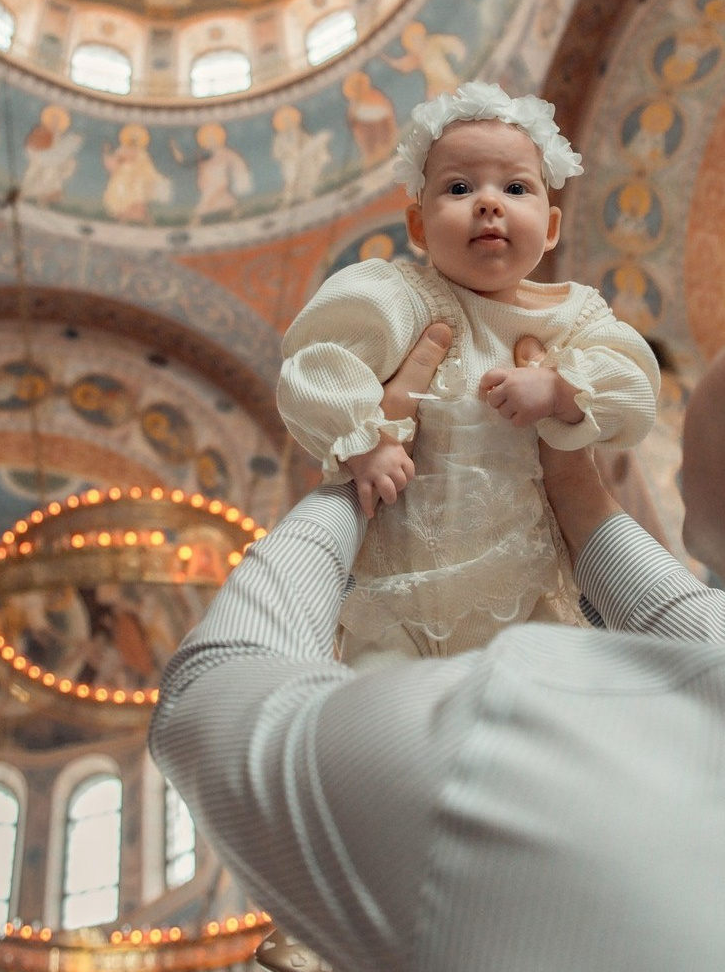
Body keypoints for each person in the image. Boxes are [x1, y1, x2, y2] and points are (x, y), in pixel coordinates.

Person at [151, 144, 725, 971]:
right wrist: (586, 509)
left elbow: (213, 700)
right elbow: (722, 646)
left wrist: (355, 477)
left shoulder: (525, 746)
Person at [277, 80, 660, 659]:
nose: (489, 202)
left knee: (538, 698)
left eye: (515, 187)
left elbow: (634, 384)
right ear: (418, 227)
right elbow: (317, 364)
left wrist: (560, 389)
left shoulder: (570, 316)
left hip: (526, 592)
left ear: (551, 226)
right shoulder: (400, 296)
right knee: (385, 713)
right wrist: (367, 441)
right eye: (459, 187)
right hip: (395, 598)